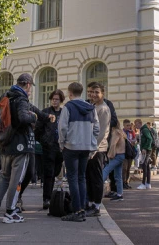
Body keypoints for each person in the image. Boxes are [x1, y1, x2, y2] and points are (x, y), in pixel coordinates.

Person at [0, 73, 38, 224]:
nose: (30, 90)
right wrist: (34, 117)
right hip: (20, 143)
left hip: (5, 142)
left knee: (3, 176)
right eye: (30, 87)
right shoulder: (21, 98)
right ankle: (10, 211)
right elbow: (22, 118)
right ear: (27, 84)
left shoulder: (5, 96)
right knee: (16, 179)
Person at [58, 82, 99, 222]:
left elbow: (62, 128)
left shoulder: (68, 107)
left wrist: (61, 143)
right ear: (81, 92)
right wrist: (92, 145)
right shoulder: (91, 108)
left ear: (70, 93)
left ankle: (77, 211)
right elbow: (96, 129)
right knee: (82, 178)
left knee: (73, 178)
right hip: (86, 147)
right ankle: (83, 208)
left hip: (71, 146)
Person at [85, 82, 111, 217]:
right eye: (90, 92)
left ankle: (96, 206)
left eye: (96, 92)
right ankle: (89, 203)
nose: (93, 94)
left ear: (102, 94)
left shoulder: (103, 109)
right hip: (90, 147)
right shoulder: (93, 107)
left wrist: (93, 149)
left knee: (96, 178)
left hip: (97, 149)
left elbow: (101, 132)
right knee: (89, 177)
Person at [35, 89, 64, 210]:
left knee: (56, 171)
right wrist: (43, 141)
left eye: (57, 99)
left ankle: (50, 197)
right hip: (48, 147)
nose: (54, 101)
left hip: (60, 147)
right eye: (53, 99)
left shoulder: (63, 113)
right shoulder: (45, 112)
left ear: (61, 100)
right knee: (49, 174)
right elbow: (38, 129)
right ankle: (46, 199)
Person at [103, 123, 127, 201]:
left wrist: (110, 154)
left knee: (106, 170)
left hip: (116, 155)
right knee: (118, 175)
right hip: (122, 155)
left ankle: (98, 185)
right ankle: (120, 194)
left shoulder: (115, 132)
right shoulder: (121, 132)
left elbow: (113, 144)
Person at [136, 119, 154, 189]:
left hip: (146, 150)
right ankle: (148, 183)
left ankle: (143, 183)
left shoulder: (144, 130)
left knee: (144, 165)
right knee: (147, 166)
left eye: (136, 124)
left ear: (140, 123)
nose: (135, 126)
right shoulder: (143, 130)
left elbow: (149, 139)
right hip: (147, 149)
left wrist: (144, 148)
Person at [122, 119, 136, 189]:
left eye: (129, 125)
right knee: (124, 168)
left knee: (128, 168)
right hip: (124, 152)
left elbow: (134, 139)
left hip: (130, 152)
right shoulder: (122, 132)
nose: (128, 127)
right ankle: (123, 182)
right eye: (127, 125)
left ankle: (127, 182)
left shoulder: (131, 132)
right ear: (123, 125)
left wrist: (134, 142)